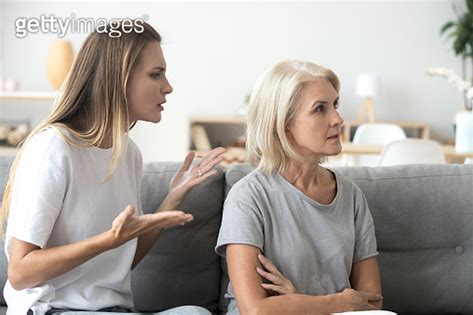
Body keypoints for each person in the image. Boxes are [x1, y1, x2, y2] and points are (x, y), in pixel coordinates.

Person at [0, 21, 224, 315]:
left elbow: (121, 261)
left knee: (196, 313)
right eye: (156, 75)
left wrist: (172, 199)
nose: (168, 87)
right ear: (117, 78)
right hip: (51, 309)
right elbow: (20, 272)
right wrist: (107, 240)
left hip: (111, 311)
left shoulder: (128, 153)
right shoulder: (53, 148)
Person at [215, 60, 383, 314]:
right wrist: (337, 302)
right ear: (282, 124)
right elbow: (256, 310)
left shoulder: (351, 197)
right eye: (320, 109)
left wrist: (297, 301)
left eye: (335, 105)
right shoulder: (248, 198)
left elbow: (372, 304)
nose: (338, 119)